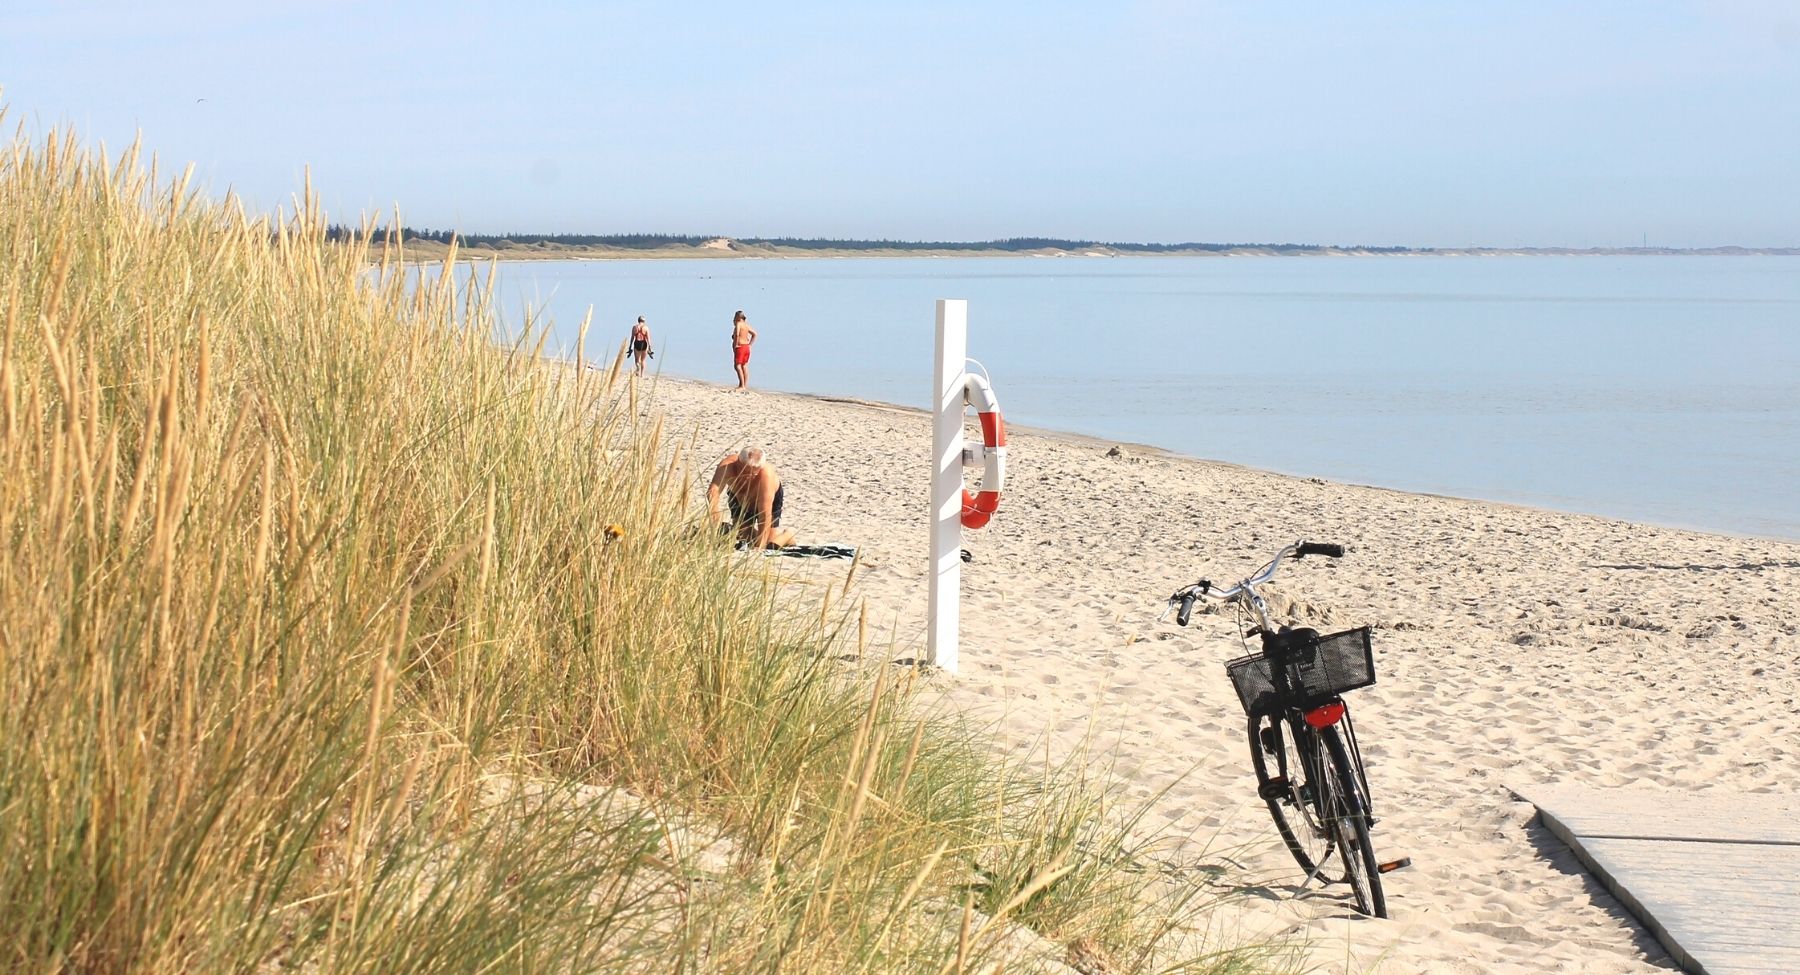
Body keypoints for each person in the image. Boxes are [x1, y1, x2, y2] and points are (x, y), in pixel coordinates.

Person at [708, 446, 795, 549]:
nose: (747, 477)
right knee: (745, 538)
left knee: (768, 544)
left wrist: (760, 546)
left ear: (759, 469)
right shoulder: (727, 466)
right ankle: (741, 530)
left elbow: (764, 514)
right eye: (744, 471)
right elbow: (713, 493)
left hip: (766, 499)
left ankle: (788, 535)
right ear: (738, 462)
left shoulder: (766, 476)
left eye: (752, 473)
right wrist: (716, 521)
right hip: (738, 496)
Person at [730, 309, 757, 390]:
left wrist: (735, 345)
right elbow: (754, 334)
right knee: (744, 365)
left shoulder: (739, 324)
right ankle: (744, 385)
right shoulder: (746, 325)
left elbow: (737, 335)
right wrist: (750, 345)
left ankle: (742, 385)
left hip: (740, 346)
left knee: (737, 366)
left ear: (738, 317)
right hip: (746, 347)